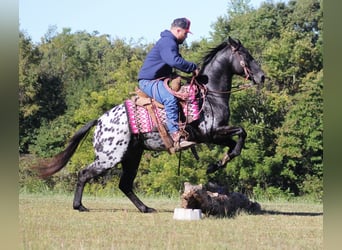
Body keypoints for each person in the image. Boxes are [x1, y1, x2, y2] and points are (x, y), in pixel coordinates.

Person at [138, 17, 199, 149]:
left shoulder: (170, 42)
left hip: (158, 80)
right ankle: (175, 134)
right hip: (148, 82)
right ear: (178, 30)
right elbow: (174, 61)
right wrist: (192, 67)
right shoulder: (167, 42)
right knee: (170, 99)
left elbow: (176, 61)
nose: (186, 37)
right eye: (185, 33)